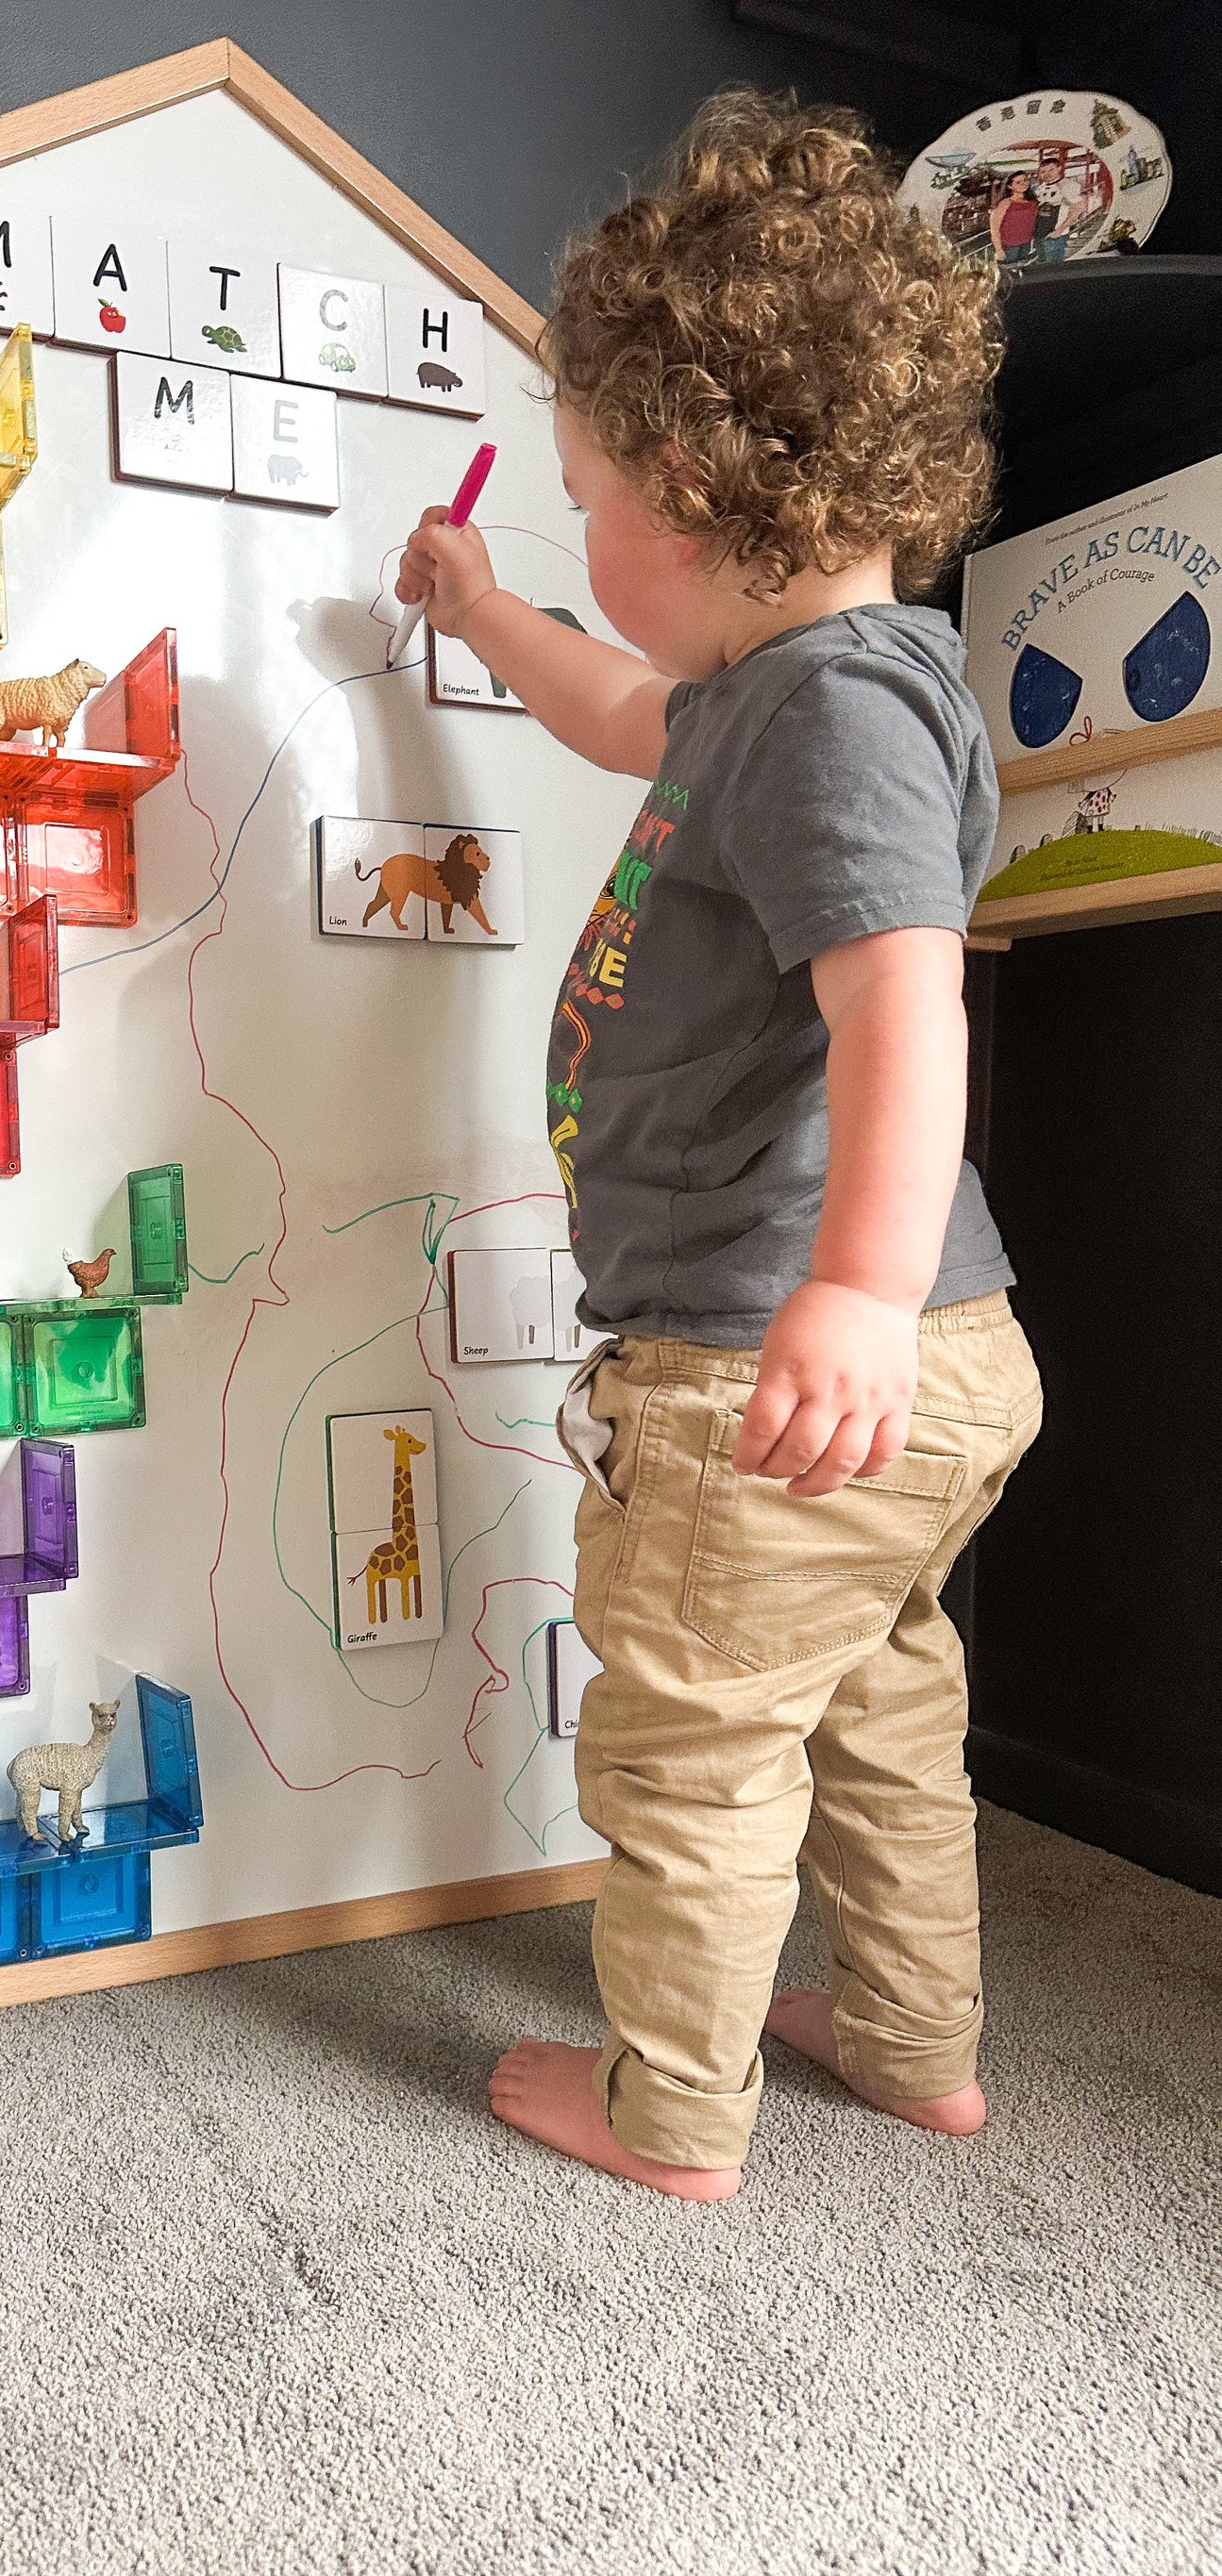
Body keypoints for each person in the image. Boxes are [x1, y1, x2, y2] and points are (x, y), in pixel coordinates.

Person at [394, 89, 1042, 2202]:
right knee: (879, 1705)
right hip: (926, 1355)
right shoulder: (783, 692)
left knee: (690, 1742)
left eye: (581, 502)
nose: (582, 537)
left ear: (682, 490)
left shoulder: (831, 716)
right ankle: (917, 2044)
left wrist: (846, 1291)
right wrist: (481, 608)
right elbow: (609, 706)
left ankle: (670, 2108)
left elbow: (904, 1000)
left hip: (773, 1354)